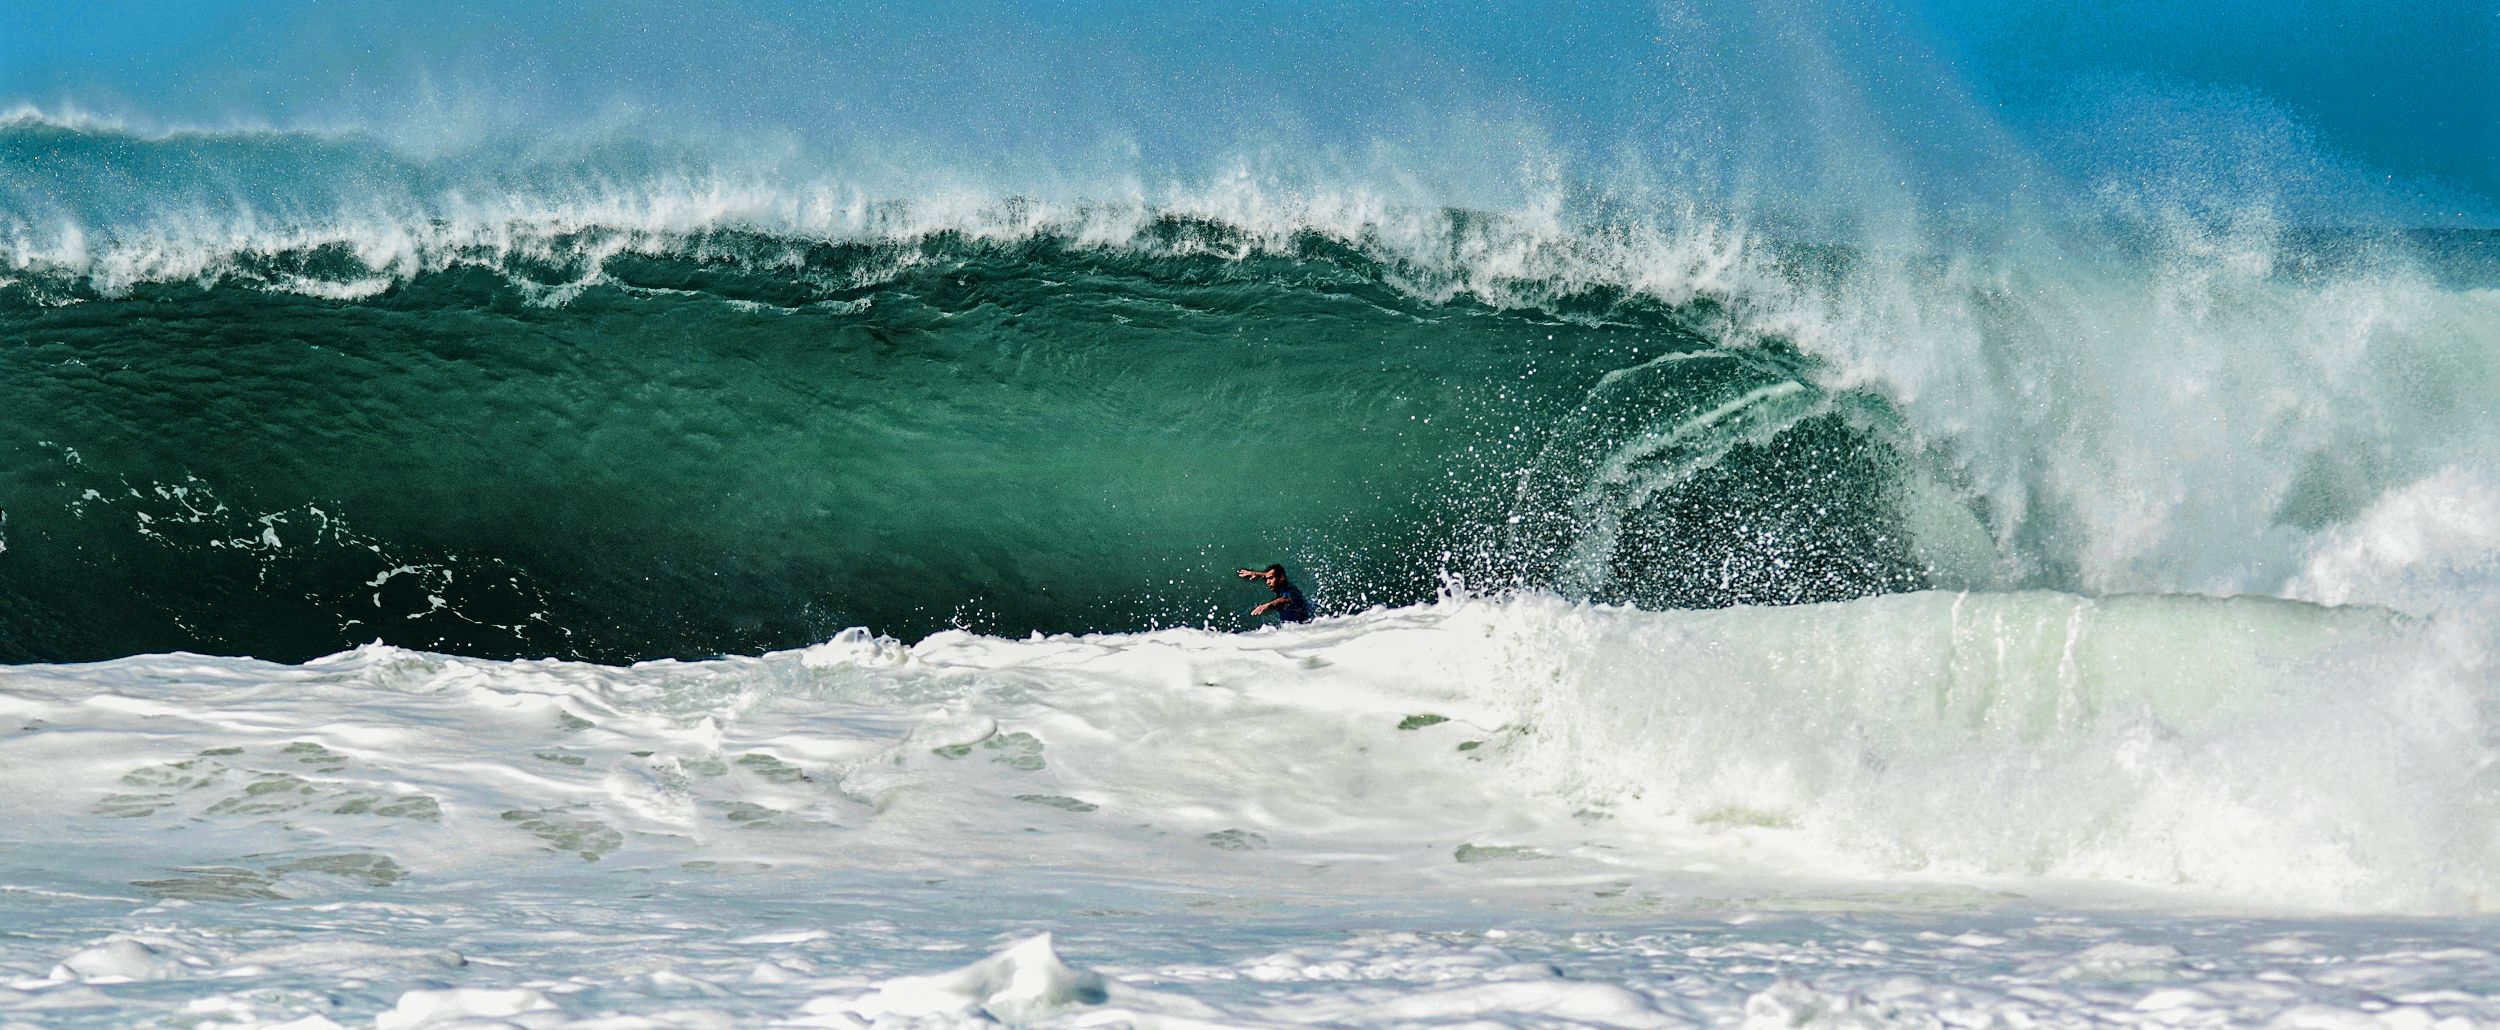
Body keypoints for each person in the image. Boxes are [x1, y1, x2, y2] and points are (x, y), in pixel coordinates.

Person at [1235, 564, 1312, 624]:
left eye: (1270, 578)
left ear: (1281, 578)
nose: (1267, 582)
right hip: (1291, 628)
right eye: (1267, 578)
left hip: (1302, 629)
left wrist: (1269, 604)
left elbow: (1286, 599)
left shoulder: (1290, 590)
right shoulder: (1281, 585)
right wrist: (1255, 574)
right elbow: (1268, 575)